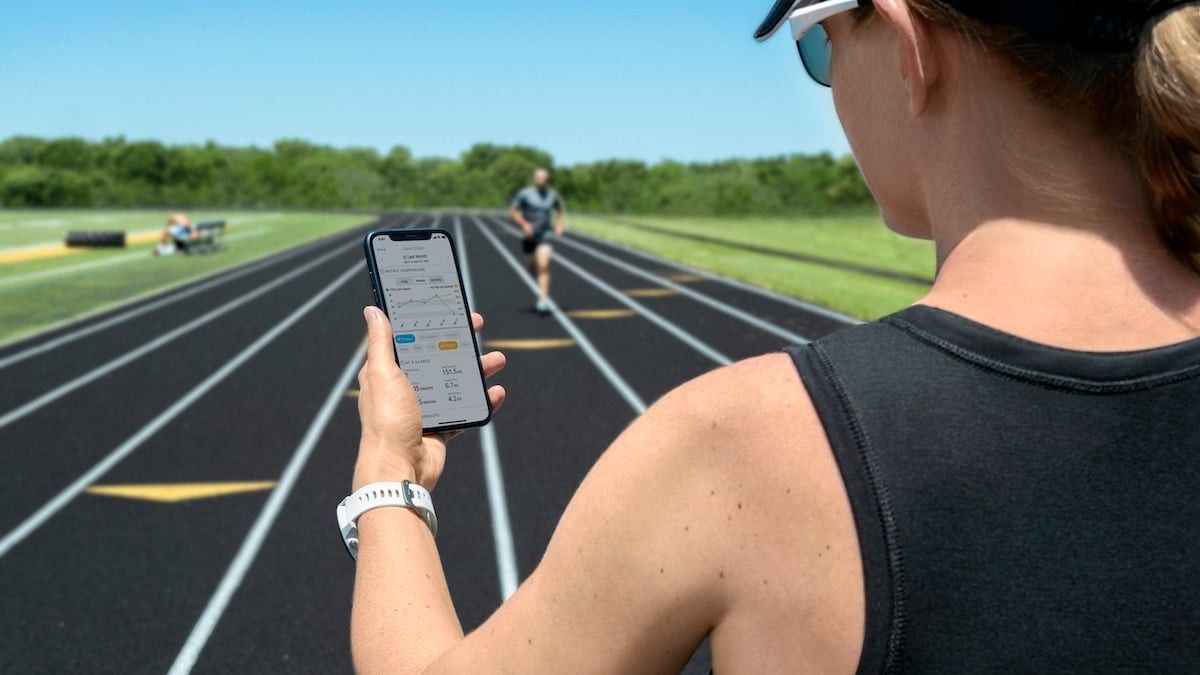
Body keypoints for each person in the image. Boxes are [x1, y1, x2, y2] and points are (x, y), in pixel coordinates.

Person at [346, 0, 1200, 672]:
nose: (826, 82)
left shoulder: (744, 446)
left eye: (820, 45)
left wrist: (389, 477)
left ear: (910, 48)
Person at [508, 168, 566, 314]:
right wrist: (524, 224)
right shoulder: (525, 194)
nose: (542, 181)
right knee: (530, 266)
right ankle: (539, 281)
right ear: (534, 179)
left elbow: (560, 211)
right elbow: (513, 211)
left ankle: (542, 300)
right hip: (529, 236)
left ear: (548, 180)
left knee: (544, 265)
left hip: (545, 234)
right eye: (539, 178)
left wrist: (559, 225)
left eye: (544, 178)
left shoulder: (552, 196)